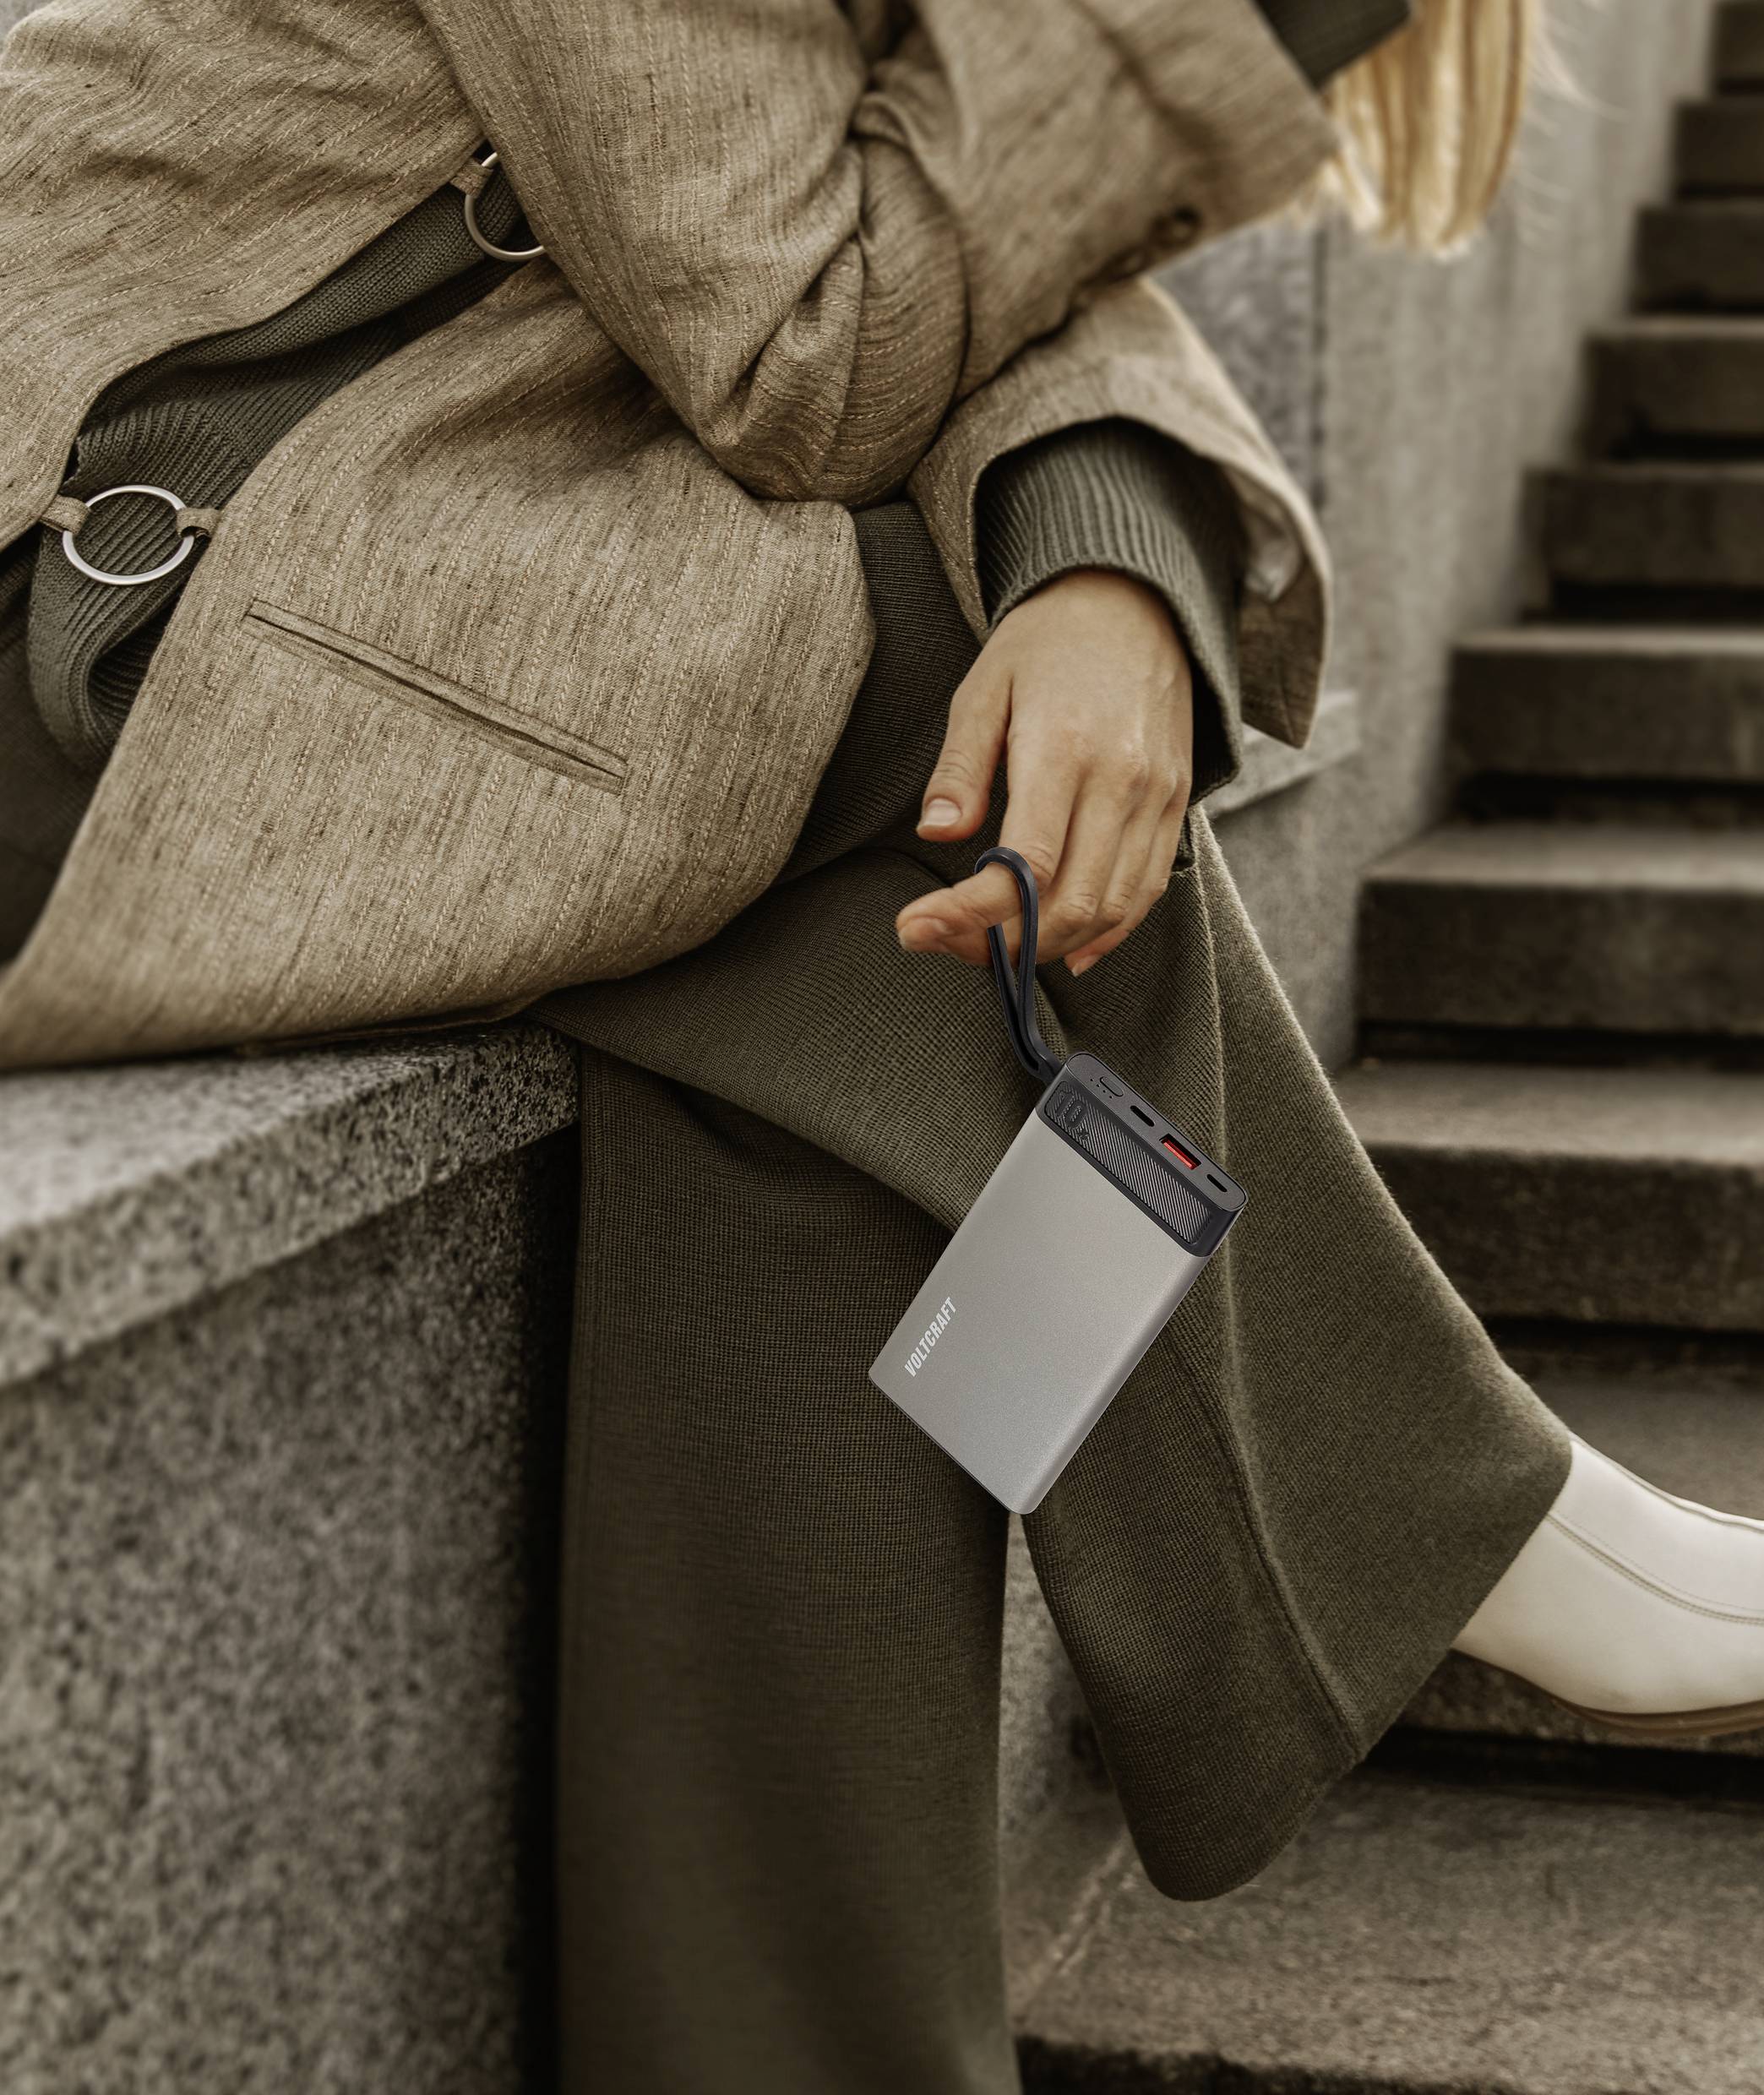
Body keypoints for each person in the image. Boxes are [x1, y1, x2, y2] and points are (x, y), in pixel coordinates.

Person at [1, 0, 1758, 2090]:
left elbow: (936, 192)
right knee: (918, 747)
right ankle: (1443, 1515)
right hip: (82, 637)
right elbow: (806, 336)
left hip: (320, 574)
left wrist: (1098, 545)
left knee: (870, 1027)